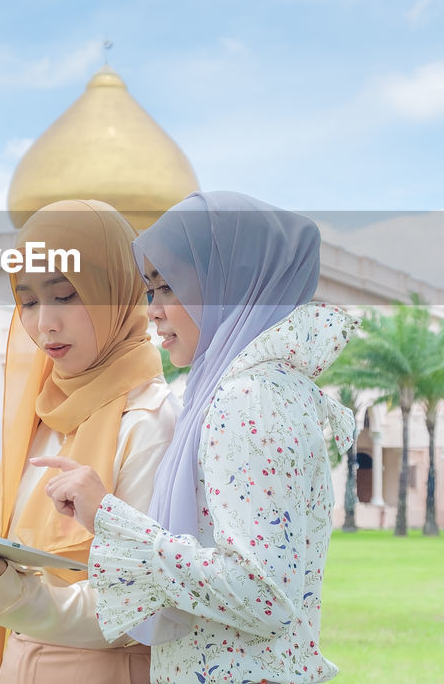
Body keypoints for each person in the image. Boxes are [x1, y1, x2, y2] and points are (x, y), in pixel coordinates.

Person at [36, 191, 358, 683]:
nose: (153, 311)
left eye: (170, 288)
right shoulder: (253, 387)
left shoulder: (248, 399)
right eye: (150, 291)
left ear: (229, 286)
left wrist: (110, 517)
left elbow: (261, 594)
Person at [0, 199, 180, 684]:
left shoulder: (149, 422)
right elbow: (3, 540)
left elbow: (133, 609)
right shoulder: (47, 415)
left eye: (65, 295)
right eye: (28, 301)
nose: (44, 323)